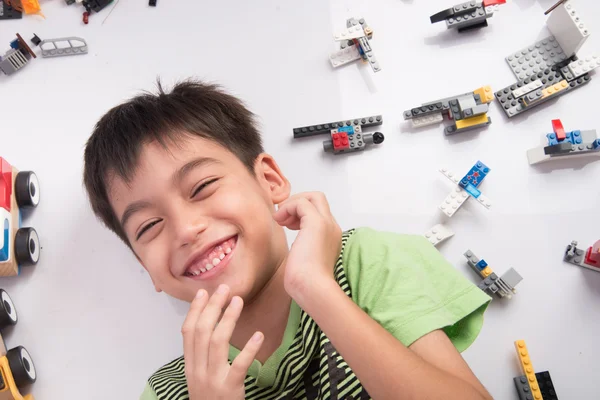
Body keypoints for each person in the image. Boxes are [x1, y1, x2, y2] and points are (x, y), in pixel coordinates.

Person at [83, 79, 493, 400]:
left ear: (269, 181)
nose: (186, 229)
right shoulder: (168, 392)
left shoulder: (365, 262)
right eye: (149, 227)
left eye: (202, 186)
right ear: (146, 268)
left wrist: (316, 289)